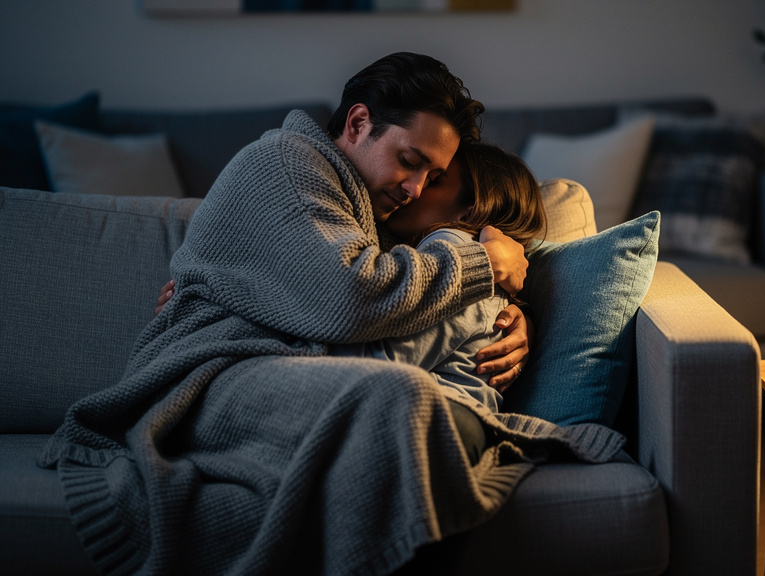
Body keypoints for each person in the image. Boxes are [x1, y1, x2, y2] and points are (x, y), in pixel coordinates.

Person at [39, 53, 623, 576]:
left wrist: (507, 311)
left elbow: (358, 294)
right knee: (400, 398)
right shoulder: (287, 163)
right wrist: (479, 265)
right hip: (206, 379)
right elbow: (351, 299)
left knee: (409, 404)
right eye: (410, 161)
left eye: (433, 178)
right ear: (358, 123)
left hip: (271, 370)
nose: (417, 188)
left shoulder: (365, 210)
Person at [337, 141, 546, 415]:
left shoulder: (454, 246)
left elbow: (383, 361)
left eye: (433, 181)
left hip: (436, 416)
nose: (414, 189)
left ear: (470, 210)